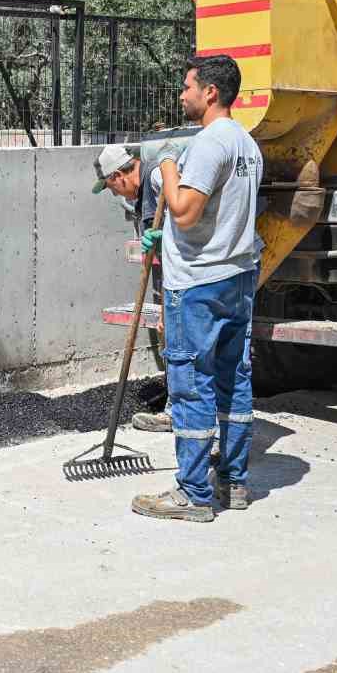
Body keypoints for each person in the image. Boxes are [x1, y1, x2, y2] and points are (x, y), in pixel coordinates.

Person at [132, 54, 262, 524]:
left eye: (187, 87)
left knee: (192, 385)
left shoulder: (209, 144)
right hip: (236, 274)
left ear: (210, 92)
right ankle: (234, 482)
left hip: (200, 281)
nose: (182, 94)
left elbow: (185, 212)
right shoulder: (247, 143)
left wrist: (167, 165)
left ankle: (192, 493)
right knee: (234, 380)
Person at [93, 141, 172, 431]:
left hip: (193, 274)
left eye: (113, 188)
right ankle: (178, 407)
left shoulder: (156, 177)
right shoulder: (143, 196)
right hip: (174, 277)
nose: (115, 193)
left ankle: (183, 413)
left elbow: (188, 212)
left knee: (184, 346)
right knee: (173, 342)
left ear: (118, 176)